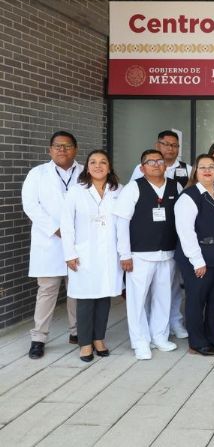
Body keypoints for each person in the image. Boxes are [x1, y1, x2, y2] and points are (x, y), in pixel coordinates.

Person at [114, 149, 182, 360]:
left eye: (159, 161)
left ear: (166, 165)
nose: (155, 164)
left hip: (167, 253)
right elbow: (122, 222)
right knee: (137, 301)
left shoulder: (175, 186)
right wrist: (124, 254)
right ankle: (140, 341)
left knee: (164, 298)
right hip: (139, 255)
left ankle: (159, 336)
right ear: (142, 167)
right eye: (150, 162)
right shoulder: (133, 188)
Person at [23, 131, 83, 359]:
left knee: (76, 290)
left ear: (75, 149)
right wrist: (56, 228)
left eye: (67, 146)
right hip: (49, 242)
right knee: (47, 290)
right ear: (50, 150)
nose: (62, 150)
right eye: (57, 146)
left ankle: (77, 332)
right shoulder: (37, 174)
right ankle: (38, 338)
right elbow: (30, 205)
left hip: (78, 241)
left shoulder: (85, 172)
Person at [61, 150, 123, 362]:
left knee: (104, 297)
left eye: (103, 162)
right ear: (87, 167)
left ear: (109, 167)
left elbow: (123, 223)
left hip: (108, 253)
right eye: (93, 162)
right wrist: (69, 252)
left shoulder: (118, 190)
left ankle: (99, 339)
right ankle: (85, 343)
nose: (98, 166)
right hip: (84, 253)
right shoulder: (76, 191)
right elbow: (66, 224)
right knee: (86, 299)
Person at [174, 154, 214, 356]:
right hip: (197, 260)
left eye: (211, 167)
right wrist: (197, 261)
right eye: (202, 167)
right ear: (195, 172)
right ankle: (197, 343)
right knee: (196, 301)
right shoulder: (189, 196)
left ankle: (213, 338)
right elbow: (186, 232)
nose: (207, 170)